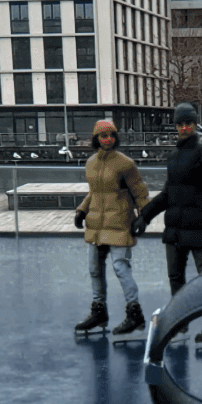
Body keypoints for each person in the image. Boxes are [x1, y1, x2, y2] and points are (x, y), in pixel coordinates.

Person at [134, 103, 202, 343]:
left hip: (199, 228)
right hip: (175, 230)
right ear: (176, 125)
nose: (184, 127)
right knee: (176, 278)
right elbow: (168, 194)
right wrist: (144, 216)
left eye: (189, 122)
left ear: (195, 124)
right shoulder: (175, 156)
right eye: (180, 123)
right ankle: (181, 323)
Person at [73, 119, 149, 339]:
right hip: (97, 225)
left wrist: (143, 217)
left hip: (119, 223)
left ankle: (134, 312)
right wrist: (82, 210)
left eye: (111, 135)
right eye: (103, 136)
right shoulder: (91, 163)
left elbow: (140, 192)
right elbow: (95, 193)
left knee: (120, 267)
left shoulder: (125, 164)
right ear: (96, 139)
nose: (108, 139)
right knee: (95, 269)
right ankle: (99, 312)